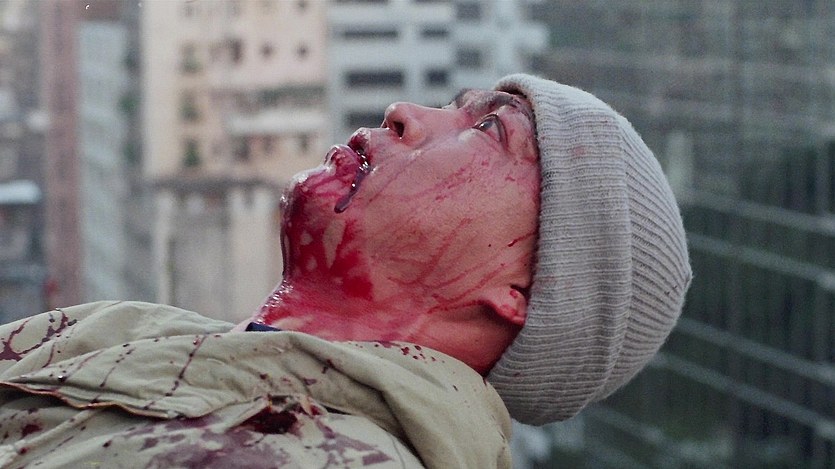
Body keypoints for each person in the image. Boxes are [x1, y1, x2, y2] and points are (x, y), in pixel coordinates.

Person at [0, 74, 691, 468]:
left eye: (489, 129)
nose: (403, 113)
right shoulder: (120, 331)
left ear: (519, 292)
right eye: (454, 105)